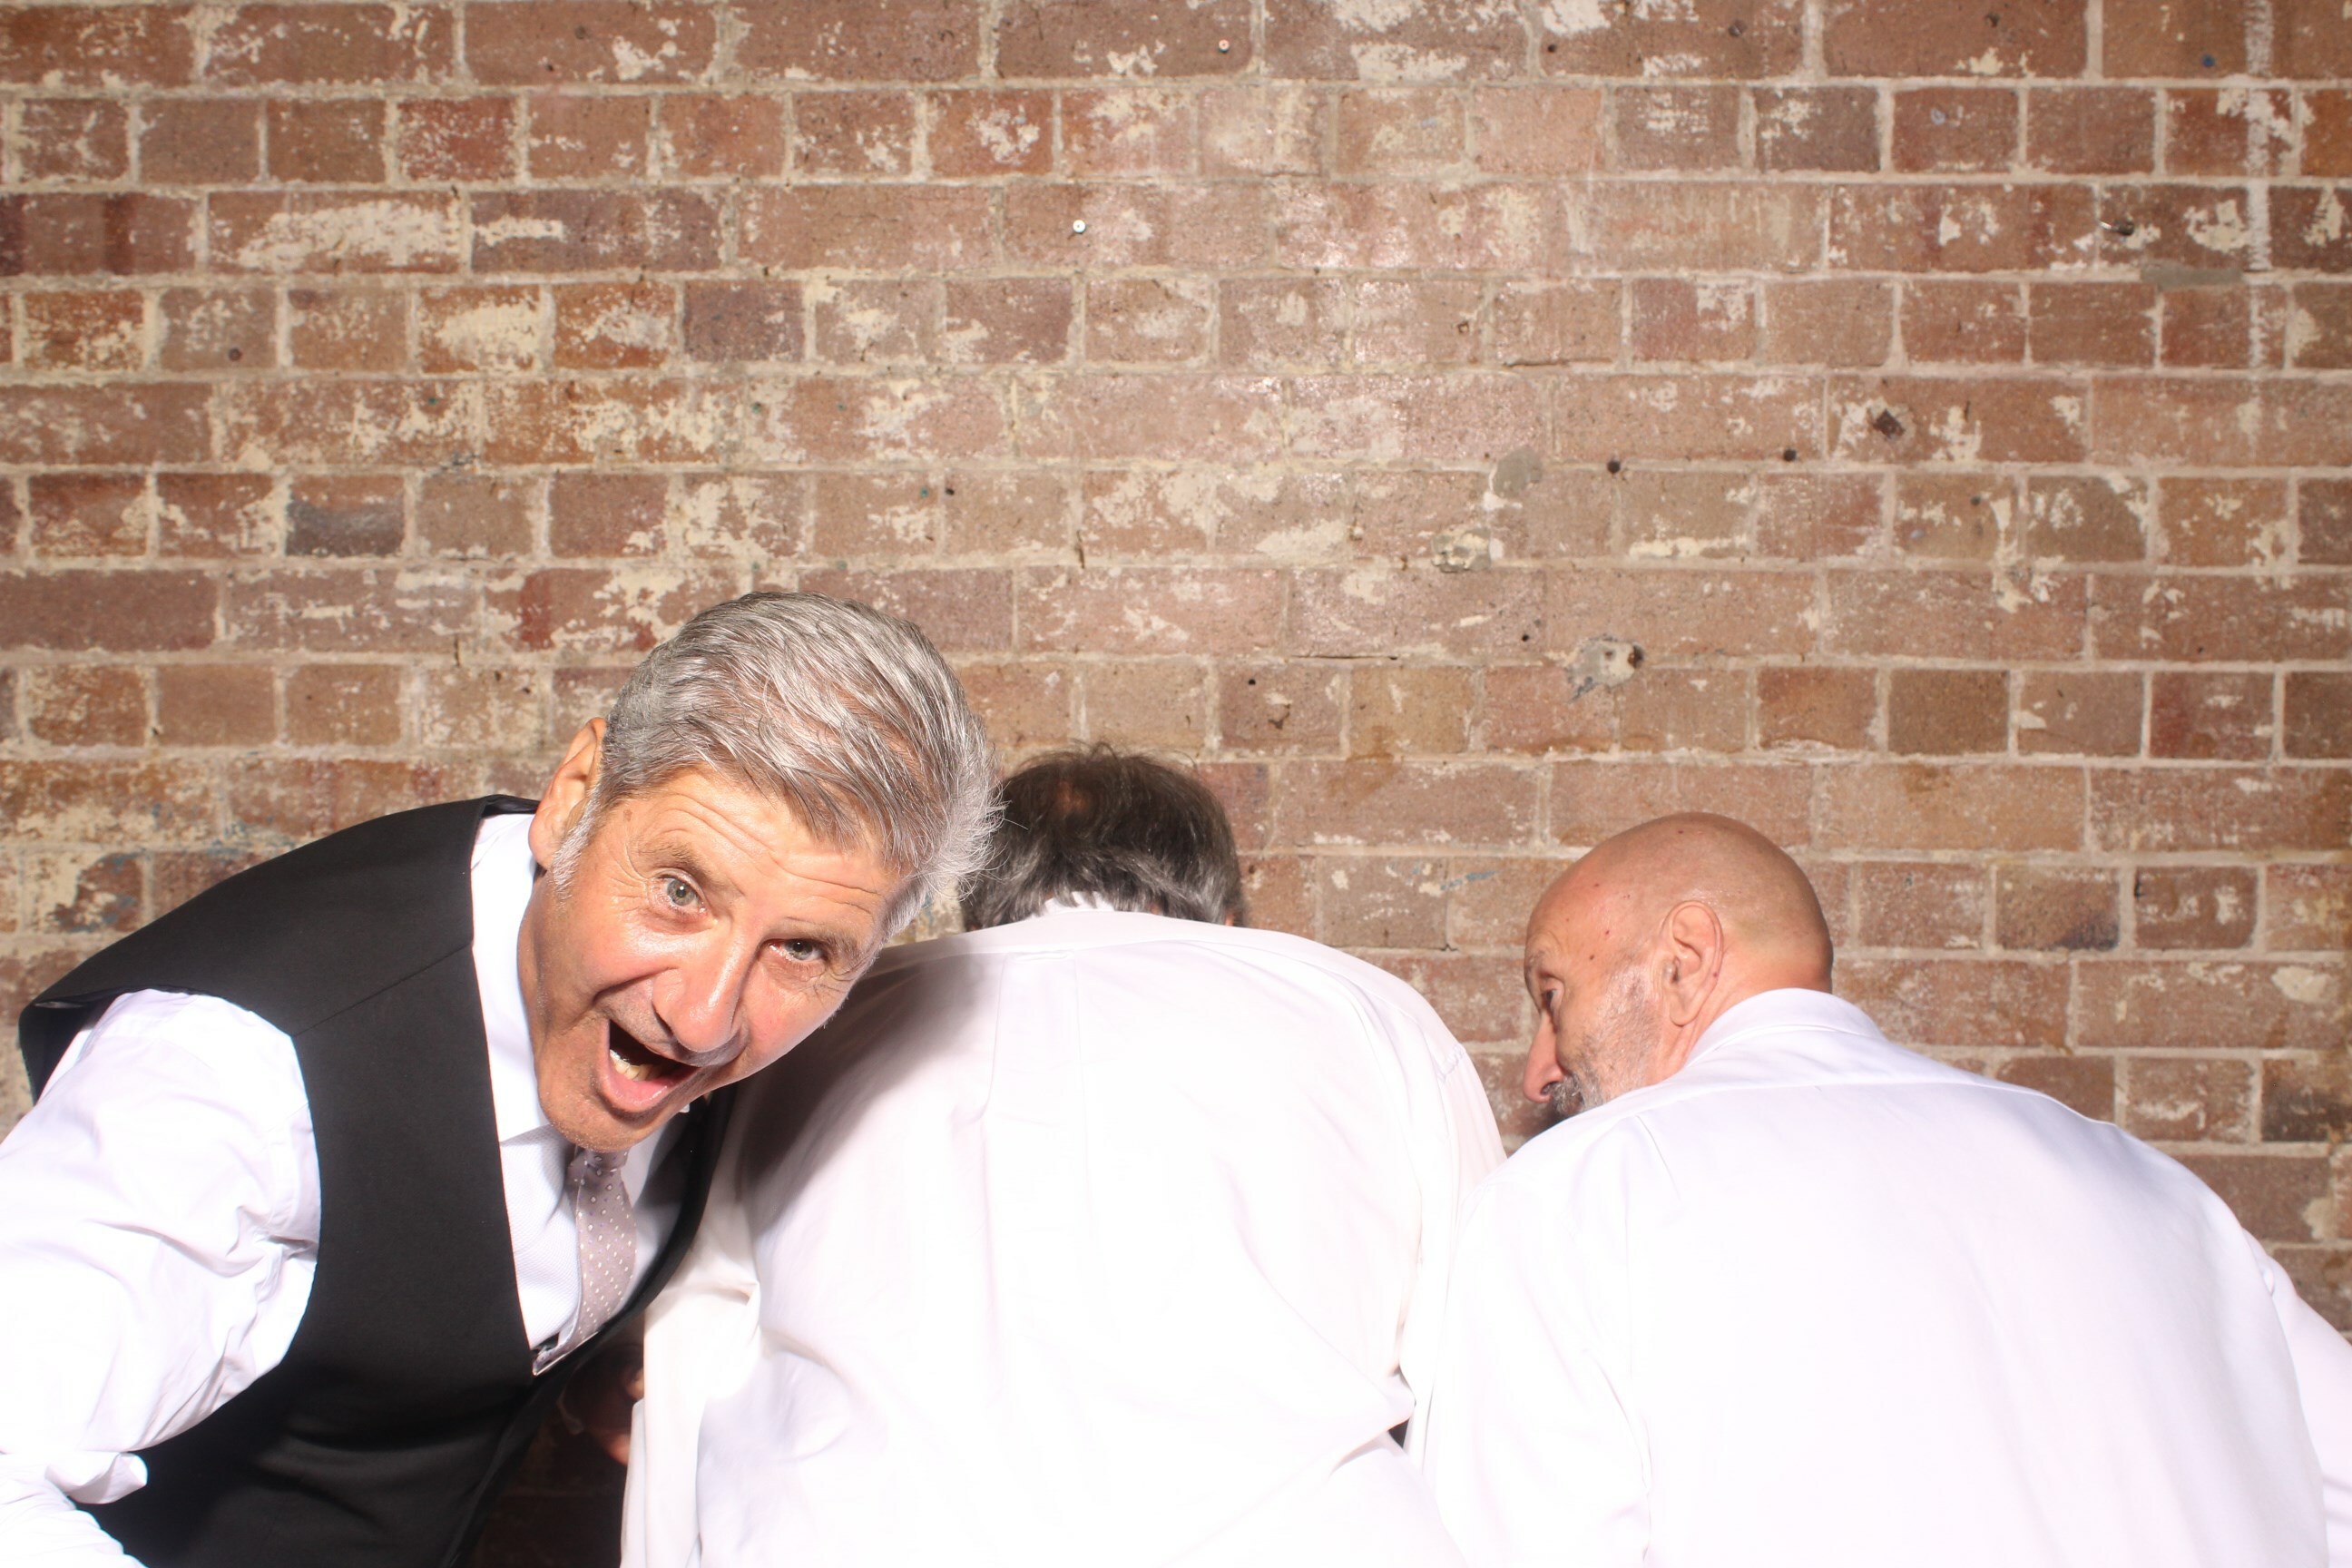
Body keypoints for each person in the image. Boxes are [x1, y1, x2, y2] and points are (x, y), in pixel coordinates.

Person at [0, 592, 995, 1568]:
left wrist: (612, 1353)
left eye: (804, 949)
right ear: (574, 798)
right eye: (680, 891)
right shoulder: (229, 1079)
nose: (704, 1019)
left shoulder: (671, 1025)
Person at [622, 745, 1504, 1568]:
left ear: (975, 901)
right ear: (1228, 915)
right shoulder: (1373, 1017)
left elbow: (689, 1354)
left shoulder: (808, 1029)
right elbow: (1487, 1361)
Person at [1419, 811, 2352, 1568]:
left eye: (1553, 996)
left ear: (1686, 960)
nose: (1539, 1071)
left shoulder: (1575, 1197)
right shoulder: (2156, 1188)